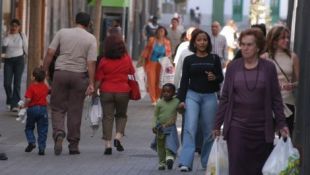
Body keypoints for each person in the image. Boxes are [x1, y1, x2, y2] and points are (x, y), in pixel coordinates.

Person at [212, 28, 289, 175]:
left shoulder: (269, 68)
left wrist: (281, 123)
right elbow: (225, 97)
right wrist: (217, 124)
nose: (245, 48)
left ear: (258, 46)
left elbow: (276, 99)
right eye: (242, 44)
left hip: (261, 129)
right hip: (237, 127)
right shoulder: (233, 67)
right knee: (236, 168)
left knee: (259, 169)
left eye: (249, 45)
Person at [43, 12, 97, 155]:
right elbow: (91, 62)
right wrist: (92, 83)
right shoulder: (91, 38)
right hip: (79, 76)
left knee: (57, 108)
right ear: (88, 23)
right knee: (75, 110)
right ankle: (73, 145)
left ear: (75, 21)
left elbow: (50, 52)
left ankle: (59, 133)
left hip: (60, 74)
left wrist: (44, 70)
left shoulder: (62, 32)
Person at [177, 29, 224, 172]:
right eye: (199, 40)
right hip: (192, 96)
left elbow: (220, 78)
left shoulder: (214, 59)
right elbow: (184, 80)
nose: (202, 42)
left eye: (205, 40)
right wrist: (181, 99)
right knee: (190, 128)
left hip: (210, 96)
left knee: (209, 131)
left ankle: (207, 162)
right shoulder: (189, 59)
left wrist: (214, 78)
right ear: (194, 43)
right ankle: (185, 162)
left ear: (208, 42)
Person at [95, 34, 135, 155]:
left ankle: (107, 145)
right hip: (123, 91)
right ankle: (118, 136)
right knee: (121, 115)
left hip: (106, 91)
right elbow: (132, 72)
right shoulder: (126, 58)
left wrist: (93, 91)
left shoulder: (103, 61)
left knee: (107, 117)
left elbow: (98, 79)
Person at [266, 26, 300, 136]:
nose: (287, 40)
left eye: (288, 37)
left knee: (285, 140)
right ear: (274, 40)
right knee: (266, 140)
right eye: (283, 38)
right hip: (269, 102)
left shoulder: (293, 57)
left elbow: (299, 81)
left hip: (287, 102)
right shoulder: (265, 57)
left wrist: (292, 85)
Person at [139, 26, 171, 106]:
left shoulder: (167, 42)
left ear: (165, 33)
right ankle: (153, 99)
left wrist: (170, 63)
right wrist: (142, 61)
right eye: (159, 31)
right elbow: (146, 50)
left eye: (162, 31)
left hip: (161, 65)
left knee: (159, 81)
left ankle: (158, 97)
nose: (161, 33)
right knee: (151, 81)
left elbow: (169, 53)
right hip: (151, 63)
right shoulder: (152, 40)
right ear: (157, 32)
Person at [21, 68, 49, 156]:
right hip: (43, 109)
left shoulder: (31, 87)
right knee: (43, 129)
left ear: (33, 77)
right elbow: (49, 90)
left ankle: (31, 141)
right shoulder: (45, 87)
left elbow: (28, 99)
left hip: (32, 109)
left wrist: (24, 105)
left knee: (29, 127)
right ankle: (41, 148)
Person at [152, 83, 180, 170]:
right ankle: (162, 163)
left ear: (173, 93)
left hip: (171, 128)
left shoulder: (176, 101)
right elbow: (155, 116)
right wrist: (153, 126)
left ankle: (169, 158)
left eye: (169, 91)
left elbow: (181, 109)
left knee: (170, 143)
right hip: (160, 128)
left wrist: (182, 107)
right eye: (164, 91)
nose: (166, 93)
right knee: (160, 146)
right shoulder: (159, 103)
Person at [2, 19, 28, 112]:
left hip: (19, 61)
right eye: (12, 25)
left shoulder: (22, 35)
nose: (14, 27)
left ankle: (15, 104)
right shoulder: (7, 36)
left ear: (19, 27)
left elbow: (26, 48)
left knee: (17, 83)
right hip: (8, 61)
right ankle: (9, 100)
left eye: (16, 26)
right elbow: (4, 45)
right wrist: (7, 35)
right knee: (7, 83)